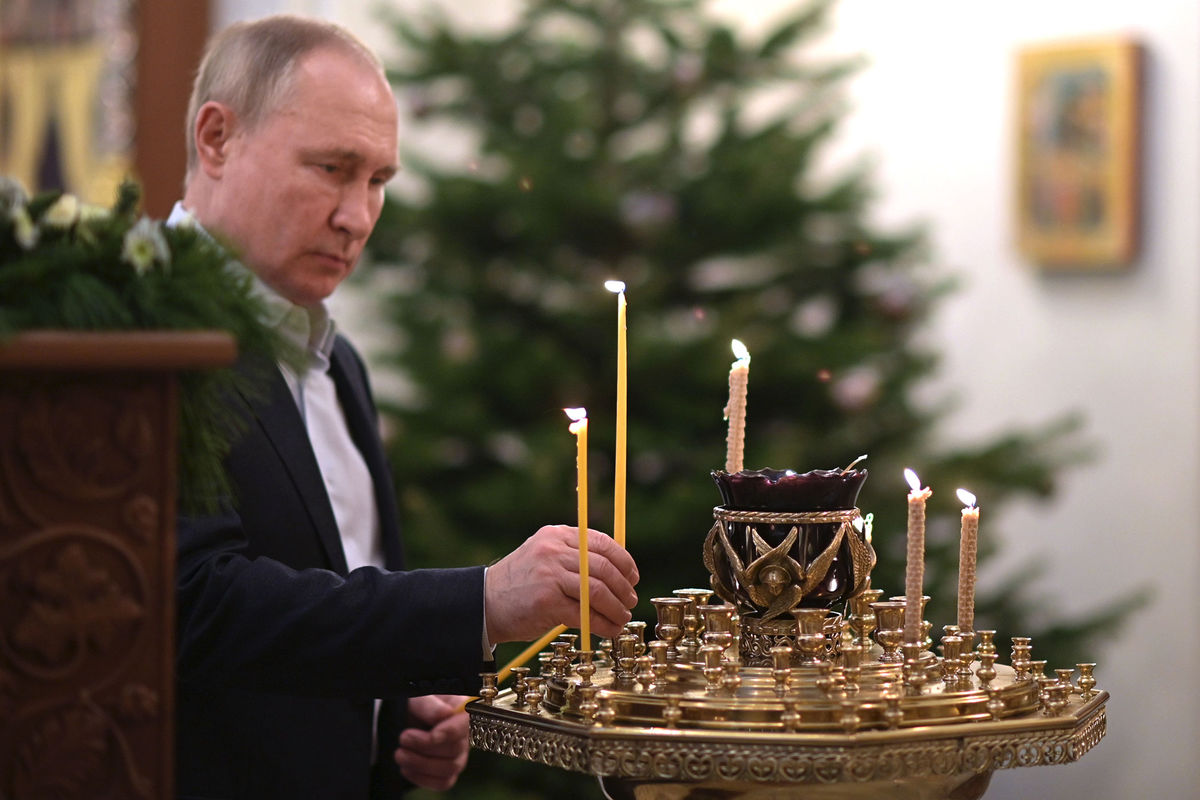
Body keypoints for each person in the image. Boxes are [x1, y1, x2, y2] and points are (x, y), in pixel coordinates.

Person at [172, 15, 640, 799]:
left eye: (378, 181)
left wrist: (398, 710)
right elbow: (197, 605)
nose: (356, 217)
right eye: (331, 168)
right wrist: (481, 603)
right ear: (216, 139)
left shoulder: (336, 358)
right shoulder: (136, 333)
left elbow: (333, 590)